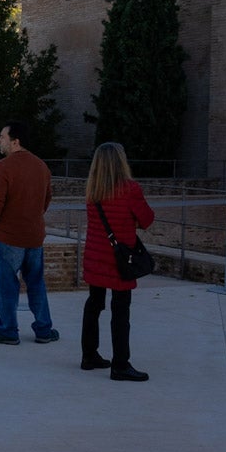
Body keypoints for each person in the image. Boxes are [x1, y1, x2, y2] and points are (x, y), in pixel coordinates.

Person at [0, 121, 58, 345]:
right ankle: (44, 329)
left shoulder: (3, 167)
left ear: (15, 141)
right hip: (34, 236)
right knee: (36, 282)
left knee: (5, 285)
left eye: (2, 137)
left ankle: (7, 330)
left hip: (7, 236)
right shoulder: (42, 166)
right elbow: (47, 199)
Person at [81, 142, 155, 382]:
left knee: (94, 304)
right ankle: (120, 364)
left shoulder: (93, 191)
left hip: (95, 256)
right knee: (120, 310)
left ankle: (89, 355)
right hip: (119, 260)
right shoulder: (130, 189)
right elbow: (146, 219)